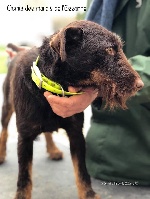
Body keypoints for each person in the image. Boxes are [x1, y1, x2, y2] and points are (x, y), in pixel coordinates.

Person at [45, 0, 150, 185]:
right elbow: (80, 54)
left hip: (143, 162)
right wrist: (41, 58)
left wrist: (97, 89)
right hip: (99, 159)